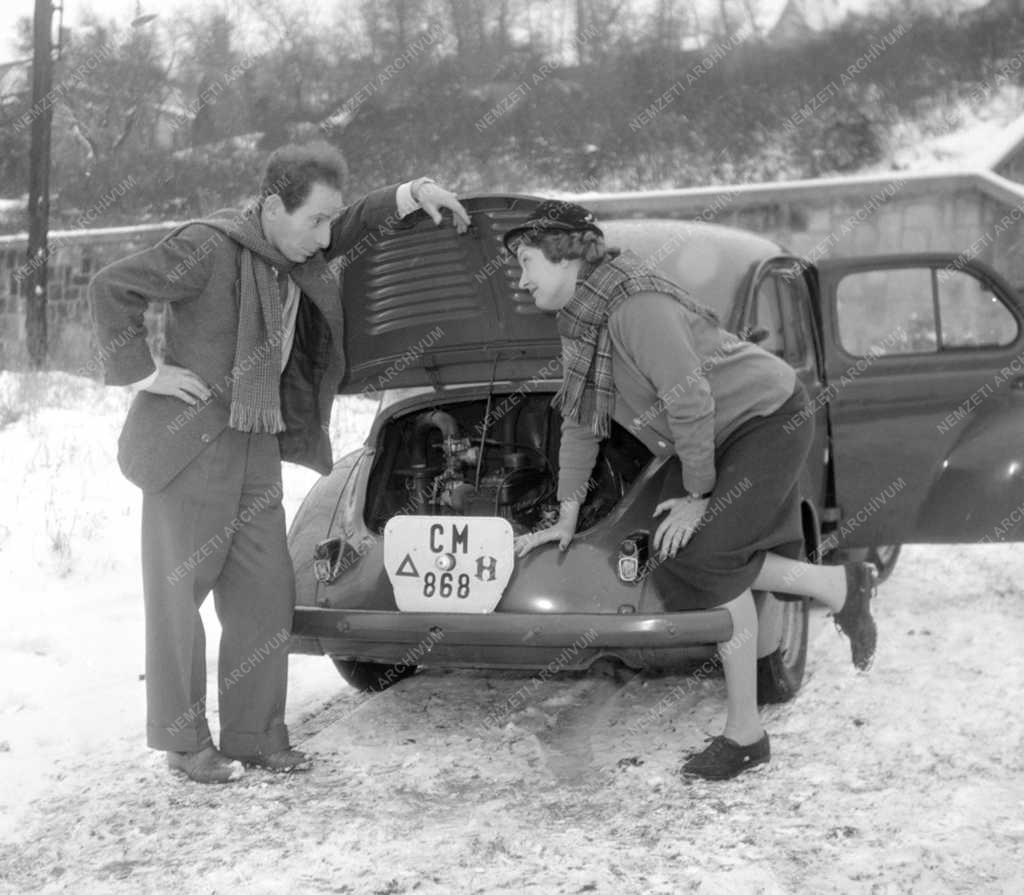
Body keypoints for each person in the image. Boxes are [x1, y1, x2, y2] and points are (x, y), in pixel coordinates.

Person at [90, 142, 470, 783]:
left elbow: (350, 224)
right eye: (314, 220)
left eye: (329, 221)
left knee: (266, 595)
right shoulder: (208, 246)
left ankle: (254, 734)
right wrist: (144, 373)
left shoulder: (292, 248)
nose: (326, 236)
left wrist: (413, 192)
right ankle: (185, 745)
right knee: (177, 600)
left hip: (256, 444)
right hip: (191, 446)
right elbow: (114, 286)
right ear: (272, 207)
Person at [508, 200, 878, 782]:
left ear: (566, 255)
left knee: (707, 552)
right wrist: (567, 513)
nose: (522, 279)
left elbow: (690, 400)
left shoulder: (635, 308)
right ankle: (836, 585)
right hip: (704, 436)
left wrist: (702, 495)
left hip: (763, 416)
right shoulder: (581, 319)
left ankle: (746, 733)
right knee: (677, 548)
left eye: (527, 261)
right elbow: (581, 420)